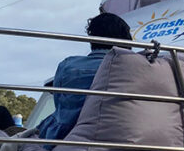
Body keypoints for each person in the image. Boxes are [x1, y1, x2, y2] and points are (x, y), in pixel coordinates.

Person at [37, 12, 133, 143]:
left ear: (92, 38)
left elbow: (59, 103)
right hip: (119, 136)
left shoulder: (68, 65)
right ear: (126, 40)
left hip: (65, 136)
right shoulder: (135, 67)